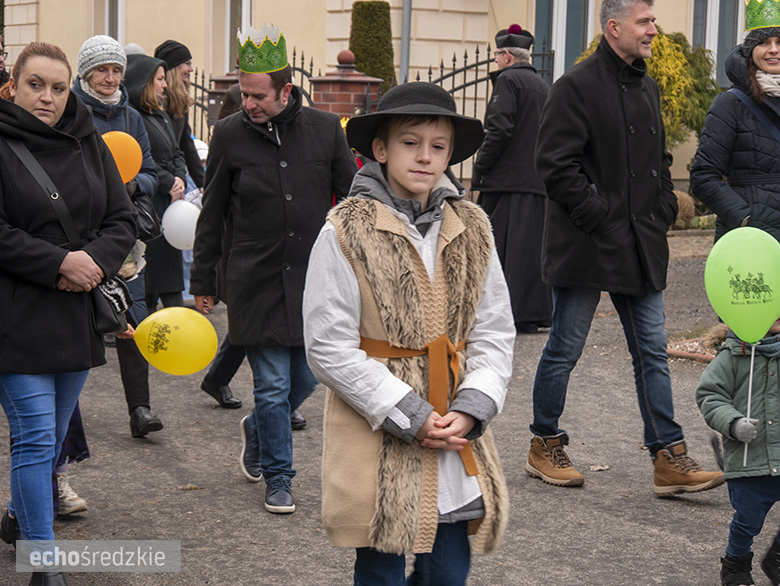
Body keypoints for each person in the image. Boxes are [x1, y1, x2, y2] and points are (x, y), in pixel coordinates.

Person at [302, 81, 513, 585]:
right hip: (378, 430)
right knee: (382, 570)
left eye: (438, 146)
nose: (424, 157)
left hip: (453, 425)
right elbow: (327, 345)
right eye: (410, 143)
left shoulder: (472, 228)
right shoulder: (346, 230)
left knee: (447, 571)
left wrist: (473, 405)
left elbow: (494, 328)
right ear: (380, 149)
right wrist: (408, 412)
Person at [526, 0, 724, 495]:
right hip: (587, 243)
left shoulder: (647, 85)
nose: (654, 29)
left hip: (640, 245)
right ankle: (544, 442)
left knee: (652, 352)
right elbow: (555, 165)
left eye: (653, 20)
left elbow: (659, 159)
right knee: (565, 348)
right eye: (645, 21)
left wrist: (662, 208)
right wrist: (599, 216)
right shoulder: (575, 85)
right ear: (614, 27)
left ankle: (668, 456)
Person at [190, 24, 357, 513]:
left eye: (258, 96)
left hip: (313, 280)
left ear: (286, 90)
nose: (249, 104)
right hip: (253, 278)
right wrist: (204, 279)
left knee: (308, 378)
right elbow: (212, 212)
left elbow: (353, 200)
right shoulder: (228, 134)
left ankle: (260, 429)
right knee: (273, 385)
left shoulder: (325, 130)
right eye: (244, 94)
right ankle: (279, 477)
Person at [0, 41, 136, 586]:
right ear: (13, 86)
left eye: (58, 88)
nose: (47, 97)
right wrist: (59, 262)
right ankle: (44, 562)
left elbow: (122, 219)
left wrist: (92, 263)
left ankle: (19, 518)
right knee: (35, 438)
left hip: (76, 312)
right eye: (35, 85)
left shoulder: (89, 141)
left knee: (52, 441)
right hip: (15, 313)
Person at [72, 35, 163, 438]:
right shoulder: (71, 112)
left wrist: (131, 184)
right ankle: (65, 414)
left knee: (133, 319)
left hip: (125, 236)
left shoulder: (133, 117)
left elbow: (151, 172)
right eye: (101, 70)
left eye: (116, 70)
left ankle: (140, 409)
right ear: (86, 73)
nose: (110, 78)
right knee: (73, 324)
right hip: (79, 234)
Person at [472, 24, 552, 334]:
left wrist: (481, 167)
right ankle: (531, 314)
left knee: (502, 251)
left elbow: (499, 129)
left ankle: (506, 313)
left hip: (506, 183)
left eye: (496, 56)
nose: (495, 61)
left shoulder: (508, 80)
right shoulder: (543, 86)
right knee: (529, 252)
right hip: (536, 182)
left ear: (506, 55)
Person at [696, 318, 780, 586]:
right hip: (749, 459)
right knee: (748, 520)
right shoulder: (732, 355)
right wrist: (732, 423)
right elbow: (710, 396)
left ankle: (777, 559)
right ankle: (735, 567)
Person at [690, 10, 780, 245]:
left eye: (779, 42)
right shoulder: (730, 103)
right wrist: (745, 219)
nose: (773, 49)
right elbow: (703, 176)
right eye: (763, 42)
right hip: (750, 241)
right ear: (750, 50)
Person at [124, 54, 187, 313]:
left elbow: (177, 151)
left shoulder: (161, 115)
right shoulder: (134, 118)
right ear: (144, 83)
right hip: (151, 206)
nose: (165, 85)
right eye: (159, 79)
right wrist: (169, 181)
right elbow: (141, 160)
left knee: (170, 280)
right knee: (151, 280)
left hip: (170, 206)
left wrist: (180, 178)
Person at [153, 40, 205, 190]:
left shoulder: (180, 103)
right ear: (174, 67)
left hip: (175, 181)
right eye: (187, 63)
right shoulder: (155, 103)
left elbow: (186, 146)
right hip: (159, 182)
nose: (191, 69)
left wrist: (204, 185)